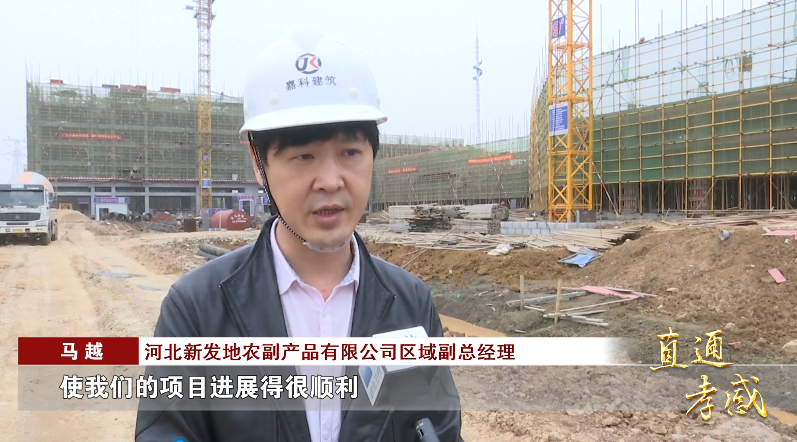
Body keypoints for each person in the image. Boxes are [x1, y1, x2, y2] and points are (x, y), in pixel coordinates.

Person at [134, 24, 464, 442]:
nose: (330, 181)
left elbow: (437, 430)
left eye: (350, 152)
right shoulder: (198, 310)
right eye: (303, 156)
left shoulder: (409, 303)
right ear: (259, 164)